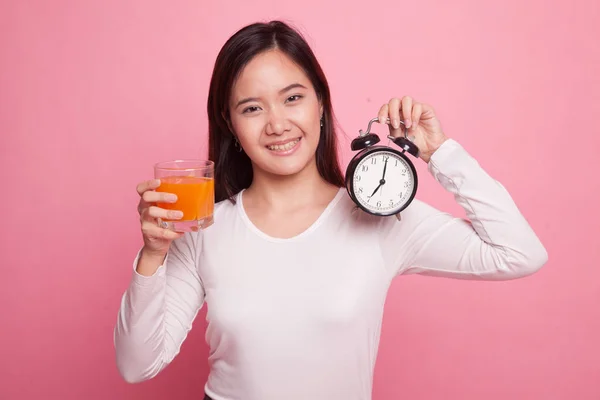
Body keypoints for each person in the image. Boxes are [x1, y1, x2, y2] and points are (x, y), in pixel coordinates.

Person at [114, 20, 548, 400]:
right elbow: (137, 365)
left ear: (321, 103)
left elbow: (520, 253)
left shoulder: (380, 218)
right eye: (251, 108)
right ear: (230, 123)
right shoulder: (204, 228)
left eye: (292, 98)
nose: (277, 124)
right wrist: (152, 255)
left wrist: (439, 152)